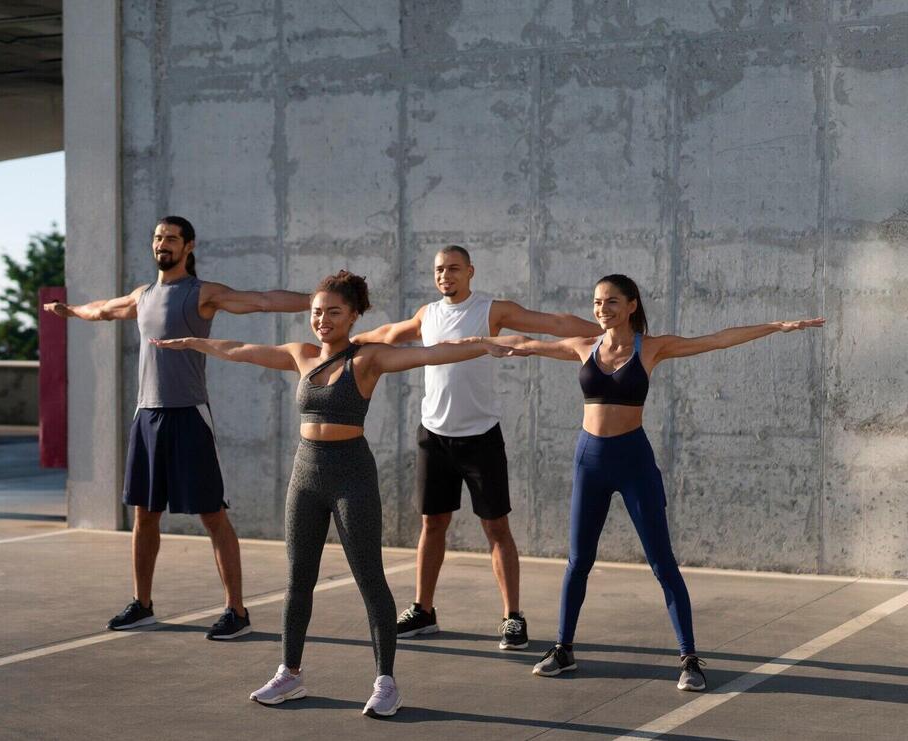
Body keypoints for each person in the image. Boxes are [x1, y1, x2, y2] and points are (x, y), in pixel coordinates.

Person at [153, 270, 519, 717]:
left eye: (333, 312)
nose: (322, 320)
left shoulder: (367, 359)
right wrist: (195, 344)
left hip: (352, 476)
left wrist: (482, 344)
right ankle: (290, 673)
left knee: (370, 578)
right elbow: (243, 351)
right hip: (305, 475)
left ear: (353, 315)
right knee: (297, 580)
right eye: (316, 312)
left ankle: (385, 680)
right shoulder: (301, 355)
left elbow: (430, 353)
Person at [470, 273, 824, 691]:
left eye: (612, 302)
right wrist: (462, 343)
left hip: (633, 460)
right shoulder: (583, 346)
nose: (602, 309)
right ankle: (563, 649)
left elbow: (716, 339)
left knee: (662, 561)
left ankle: (689, 658)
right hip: (590, 462)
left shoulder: (652, 347)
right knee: (578, 561)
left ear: (632, 305)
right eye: (597, 302)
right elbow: (523, 345)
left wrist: (775, 327)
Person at [44, 215, 310, 641]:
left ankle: (236, 611)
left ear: (188, 246)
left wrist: (318, 299)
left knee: (212, 515)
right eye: (157, 238)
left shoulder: (201, 294)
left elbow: (260, 300)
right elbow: (104, 310)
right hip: (146, 415)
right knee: (144, 515)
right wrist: (71, 311)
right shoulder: (143, 295)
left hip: (188, 415)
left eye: (170, 238)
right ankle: (142, 604)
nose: (161, 244)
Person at [353, 245, 599, 649]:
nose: (444, 276)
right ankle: (423, 610)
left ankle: (512, 617)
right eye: (438, 270)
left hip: (481, 437)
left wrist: (603, 331)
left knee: (496, 528)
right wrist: (345, 343)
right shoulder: (426, 315)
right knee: (432, 525)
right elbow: (386, 335)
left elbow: (551, 321)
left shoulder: (492, 310)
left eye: (453, 269)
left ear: (470, 271)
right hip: (433, 436)